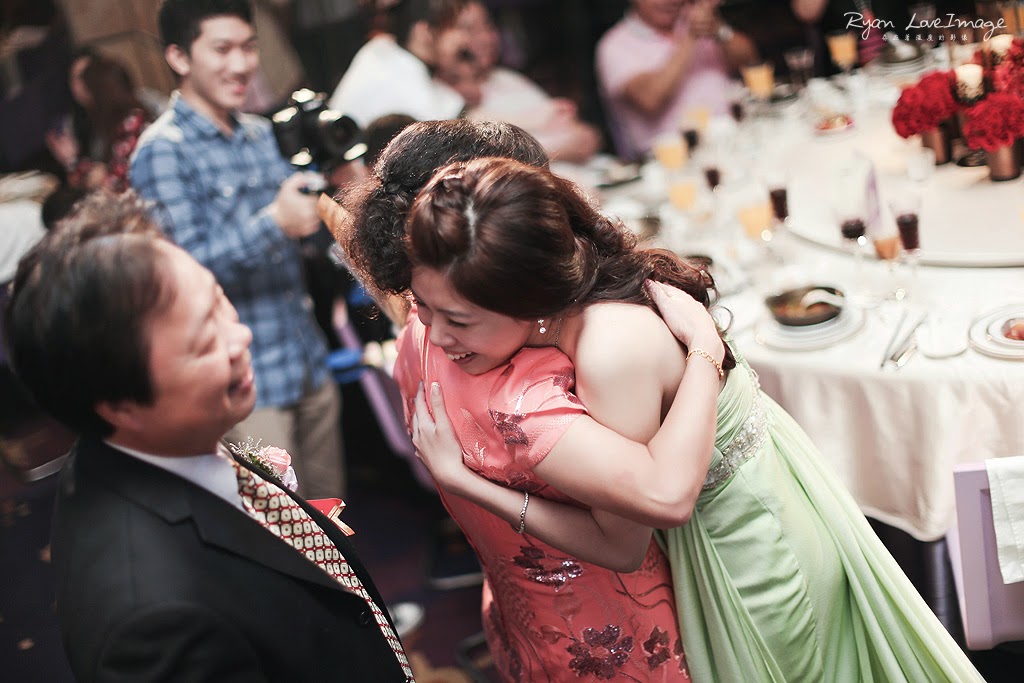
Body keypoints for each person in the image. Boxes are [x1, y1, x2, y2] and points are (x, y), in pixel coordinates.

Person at [370, 156, 983, 682]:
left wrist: (466, 482)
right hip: (742, 516)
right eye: (423, 307)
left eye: (458, 319)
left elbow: (631, 536)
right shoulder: (566, 300)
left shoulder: (609, 347)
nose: (436, 335)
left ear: (529, 302)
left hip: (749, 551)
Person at [2, 191, 414, 682]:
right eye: (203, 343)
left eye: (219, 302)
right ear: (119, 404)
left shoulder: (149, 441)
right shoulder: (155, 625)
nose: (240, 338)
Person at [130, 0, 344, 499]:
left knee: (336, 517)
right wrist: (275, 223)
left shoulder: (260, 134)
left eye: (249, 47)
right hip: (247, 383)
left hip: (308, 359)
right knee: (285, 532)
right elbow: (182, 274)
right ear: (179, 57)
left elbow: (304, 233)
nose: (243, 64)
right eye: (222, 49)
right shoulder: (162, 151)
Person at [430, 0, 602, 164]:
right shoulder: (437, 101)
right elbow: (483, 159)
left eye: (488, 26)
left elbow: (586, 137)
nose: (486, 38)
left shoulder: (507, 78)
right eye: (469, 29)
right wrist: (554, 149)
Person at [596, 0, 758, 161]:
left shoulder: (697, 20)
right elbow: (650, 98)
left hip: (737, 140)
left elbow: (751, 63)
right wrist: (691, 37)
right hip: (672, 162)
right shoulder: (613, 45)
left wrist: (720, 30)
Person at [327, 0, 464, 127]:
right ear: (424, 31)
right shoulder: (411, 89)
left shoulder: (379, 47)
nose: (463, 39)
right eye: (454, 28)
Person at [45, 52, 154, 193]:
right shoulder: (95, 120)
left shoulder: (132, 121)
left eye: (84, 82)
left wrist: (74, 162)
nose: (78, 89)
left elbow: (115, 186)